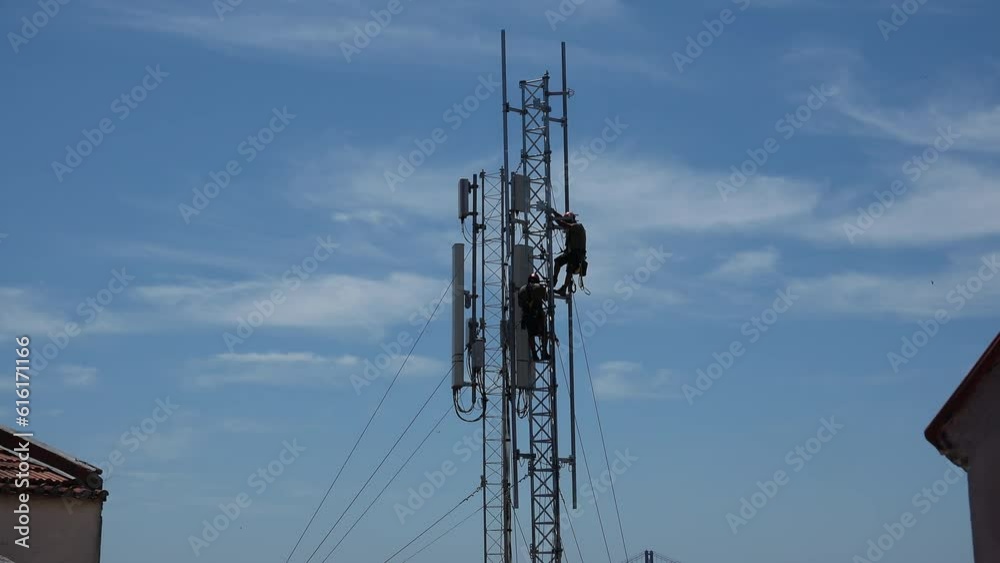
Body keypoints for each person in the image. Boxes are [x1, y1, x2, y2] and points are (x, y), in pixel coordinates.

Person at [548, 209, 587, 296]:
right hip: (571, 253)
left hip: (577, 254)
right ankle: (554, 279)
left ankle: (564, 288)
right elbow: (562, 221)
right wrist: (554, 213)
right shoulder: (571, 229)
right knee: (558, 261)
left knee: (570, 269)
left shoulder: (578, 227)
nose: (567, 222)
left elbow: (563, 224)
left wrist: (554, 218)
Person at [517, 272, 552, 361]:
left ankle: (534, 354)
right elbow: (546, 298)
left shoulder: (521, 290)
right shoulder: (539, 287)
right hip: (538, 317)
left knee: (531, 335)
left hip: (527, 317)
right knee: (544, 334)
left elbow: (520, 304)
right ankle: (544, 352)